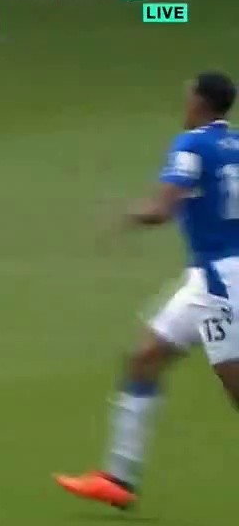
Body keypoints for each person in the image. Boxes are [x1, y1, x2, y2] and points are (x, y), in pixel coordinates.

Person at [55, 71, 239, 509]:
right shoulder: (235, 144)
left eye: (187, 96)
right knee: (146, 357)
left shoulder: (192, 145)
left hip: (222, 282)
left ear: (200, 102)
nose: (184, 104)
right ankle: (119, 478)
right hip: (206, 278)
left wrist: (126, 217)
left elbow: (162, 209)